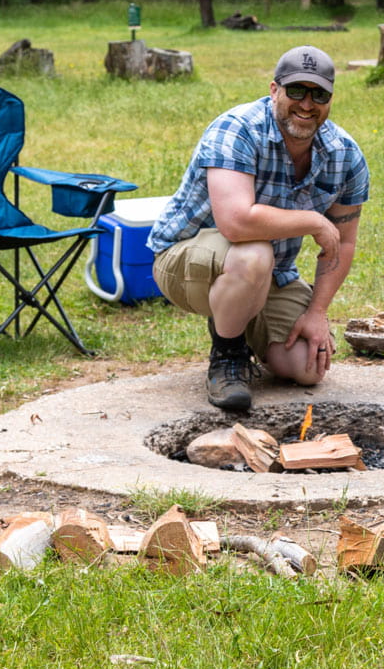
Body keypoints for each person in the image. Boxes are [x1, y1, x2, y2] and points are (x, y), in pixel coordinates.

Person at [148, 46, 368, 412]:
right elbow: (236, 223)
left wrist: (317, 312)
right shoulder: (236, 129)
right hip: (183, 261)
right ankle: (227, 354)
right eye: (296, 90)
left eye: (319, 94)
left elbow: (343, 243)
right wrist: (313, 220)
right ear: (274, 90)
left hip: (272, 274)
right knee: (254, 251)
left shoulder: (344, 154)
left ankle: (240, 320)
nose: (307, 104)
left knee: (307, 366)